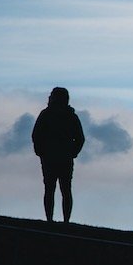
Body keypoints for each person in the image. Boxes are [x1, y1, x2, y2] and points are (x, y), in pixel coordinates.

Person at [31, 86, 86, 223]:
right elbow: (36, 135)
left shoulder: (49, 114)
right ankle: (58, 220)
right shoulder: (67, 116)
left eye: (51, 95)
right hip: (56, 156)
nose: (49, 98)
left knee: (57, 189)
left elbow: (36, 135)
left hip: (56, 157)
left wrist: (72, 152)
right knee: (60, 189)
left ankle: (56, 220)